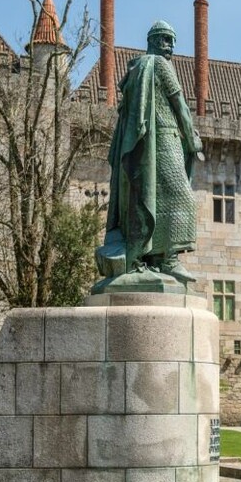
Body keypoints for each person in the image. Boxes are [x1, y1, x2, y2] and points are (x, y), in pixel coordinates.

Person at [96, 21, 202, 285]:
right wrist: (193, 139)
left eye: (173, 40)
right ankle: (169, 260)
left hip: (146, 146)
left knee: (151, 199)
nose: (171, 46)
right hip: (165, 139)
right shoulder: (160, 66)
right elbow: (180, 105)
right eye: (166, 40)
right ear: (153, 40)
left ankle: (153, 258)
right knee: (181, 198)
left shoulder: (137, 69)